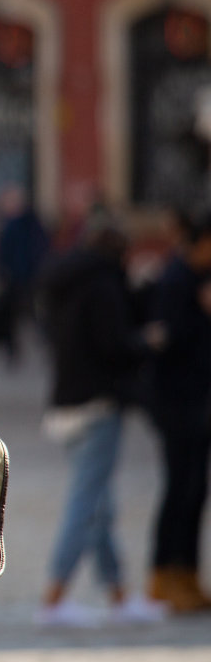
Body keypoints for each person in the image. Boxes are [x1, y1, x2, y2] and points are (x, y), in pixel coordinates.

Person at [34, 214, 165, 626]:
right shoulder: (105, 287)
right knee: (86, 502)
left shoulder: (64, 282)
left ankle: (119, 596)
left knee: (100, 506)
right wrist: (147, 340)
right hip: (98, 407)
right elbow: (115, 347)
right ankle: (54, 599)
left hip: (66, 402)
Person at [143, 207, 211, 612]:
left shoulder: (197, 280)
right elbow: (170, 344)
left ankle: (188, 574)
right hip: (176, 406)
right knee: (179, 490)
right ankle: (163, 576)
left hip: (198, 406)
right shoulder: (176, 280)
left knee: (196, 490)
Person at [0, 184, 48, 366]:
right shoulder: (8, 223)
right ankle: (12, 350)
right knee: (13, 316)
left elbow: (38, 249)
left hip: (27, 277)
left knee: (31, 314)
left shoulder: (27, 224)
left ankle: (44, 343)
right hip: (12, 277)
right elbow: (1, 252)